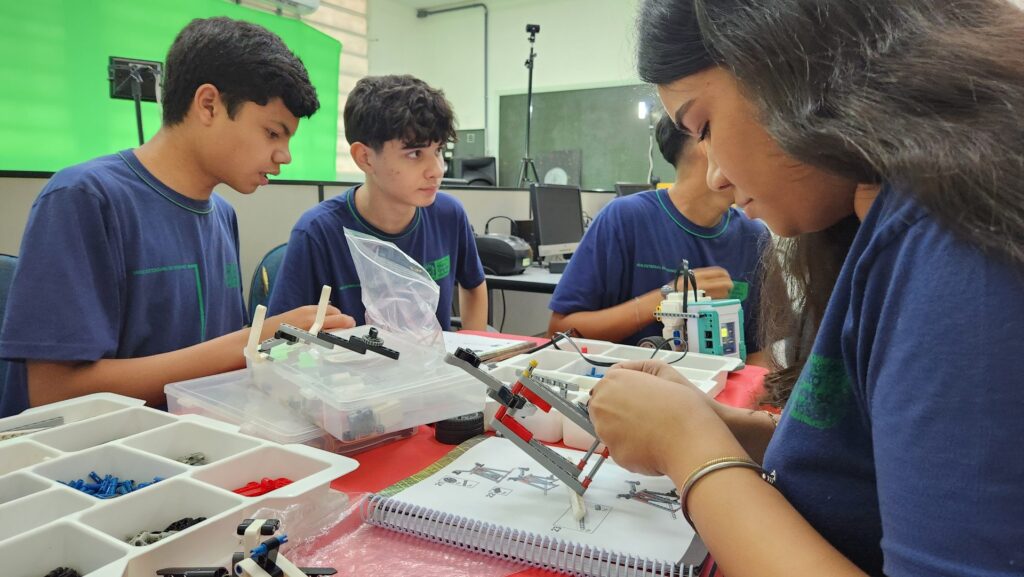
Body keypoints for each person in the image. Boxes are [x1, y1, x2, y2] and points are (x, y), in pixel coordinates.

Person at [588, 1, 1024, 576]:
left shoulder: (958, 242)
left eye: (706, 127)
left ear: (797, 63)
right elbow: (864, 455)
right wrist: (716, 423)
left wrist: (687, 447)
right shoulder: (883, 223)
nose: (715, 173)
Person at [0, 17, 354, 418]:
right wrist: (253, 341)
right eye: (273, 133)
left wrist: (279, 348)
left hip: (199, 445)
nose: (284, 156)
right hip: (95, 462)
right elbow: (53, 395)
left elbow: (216, 369)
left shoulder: (222, 216)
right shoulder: (85, 199)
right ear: (208, 105)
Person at [268, 75, 488, 331]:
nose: (436, 170)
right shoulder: (318, 232)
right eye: (415, 154)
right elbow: (281, 335)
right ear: (365, 158)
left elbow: (474, 285)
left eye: (438, 151)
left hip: (434, 368)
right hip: (351, 369)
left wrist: (473, 347)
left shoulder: (449, 215)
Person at [547, 114, 769, 365]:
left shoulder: (754, 236)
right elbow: (560, 334)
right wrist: (670, 298)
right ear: (703, 144)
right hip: (631, 390)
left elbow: (760, 352)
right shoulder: (625, 218)